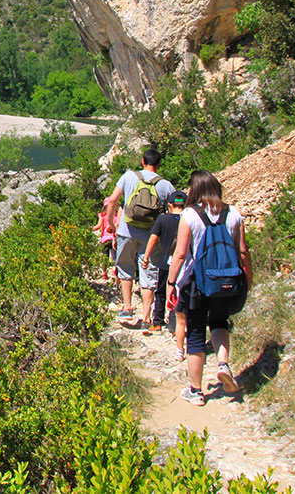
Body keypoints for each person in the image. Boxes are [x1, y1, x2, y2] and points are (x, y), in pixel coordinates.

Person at [167, 169, 253, 406]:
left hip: (198, 282)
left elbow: (181, 254)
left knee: (195, 332)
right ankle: (223, 363)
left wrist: (172, 283)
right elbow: (242, 250)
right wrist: (249, 277)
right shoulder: (233, 214)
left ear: (194, 190)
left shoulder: (190, 215)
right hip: (227, 280)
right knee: (219, 321)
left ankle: (196, 390)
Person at [106, 148, 174, 324]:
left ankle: (127, 308)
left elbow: (113, 200)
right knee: (149, 271)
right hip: (151, 235)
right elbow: (175, 209)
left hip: (126, 231)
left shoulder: (129, 176)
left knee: (124, 268)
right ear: (158, 165)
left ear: (143, 161)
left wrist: (110, 224)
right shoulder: (165, 184)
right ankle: (146, 317)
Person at [140, 190, 186, 338]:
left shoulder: (163, 219)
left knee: (160, 292)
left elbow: (153, 238)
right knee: (180, 292)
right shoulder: (190, 219)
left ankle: (158, 321)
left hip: (165, 262)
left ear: (170, 205)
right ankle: (176, 324)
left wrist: (146, 256)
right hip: (184, 263)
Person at [92, 195, 120, 282]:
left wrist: (91, 228)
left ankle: (104, 273)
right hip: (113, 238)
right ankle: (115, 273)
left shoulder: (102, 216)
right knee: (115, 256)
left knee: (104, 256)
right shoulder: (116, 216)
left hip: (104, 239)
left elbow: (98, 226)